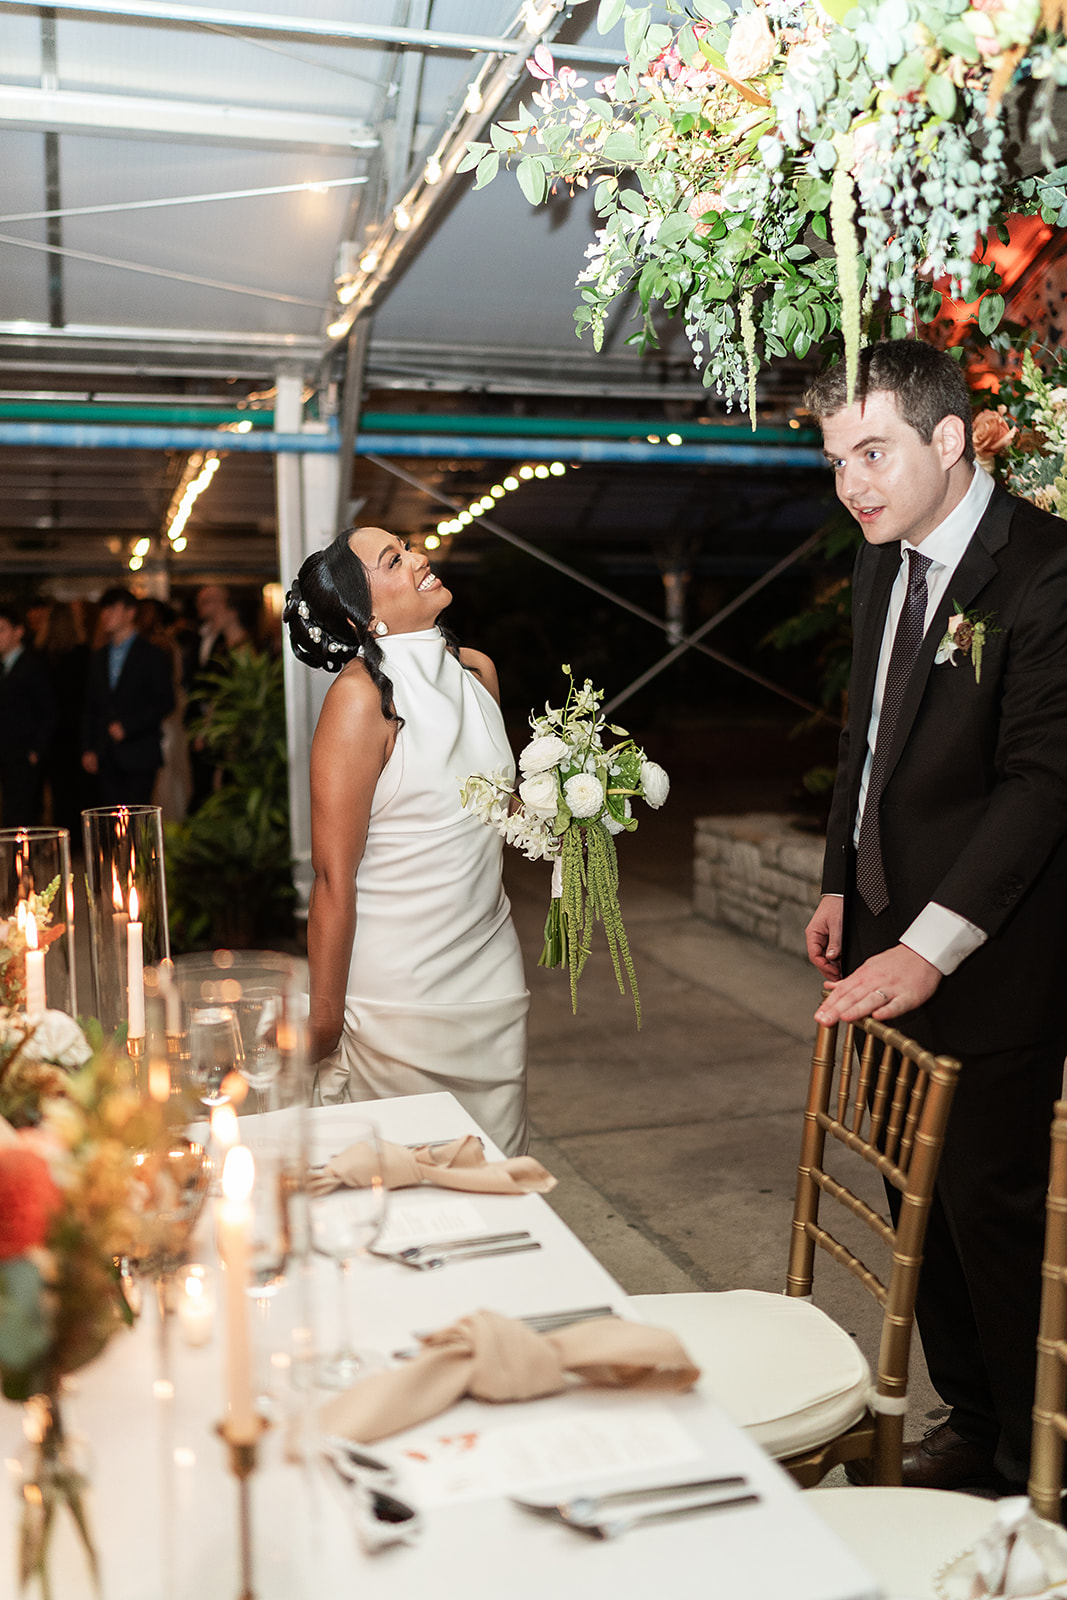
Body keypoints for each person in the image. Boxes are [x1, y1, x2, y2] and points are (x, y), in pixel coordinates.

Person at [803, 339, 1067, 1494]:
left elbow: (1041, 784)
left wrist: (927, 947)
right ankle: (967, 1419)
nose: (850, 484)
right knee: (914, 1197)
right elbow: (864, 736)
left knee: (990, 1213)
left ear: (948, 437)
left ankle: (1030, 1465)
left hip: (988, 952)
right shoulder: (883, 559)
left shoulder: (1042, 570)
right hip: (876, 937)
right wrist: (836, 877)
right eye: (834, 461)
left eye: (871, 453)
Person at [284, 527, 529, 1155]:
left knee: (499, 1173)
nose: (420, 558)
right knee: (410, 1178)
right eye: (394, 560)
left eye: (408, 547)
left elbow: (491, 810)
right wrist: (324, 1021)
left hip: (490, 972)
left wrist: (572, 802)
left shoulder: (478, 671)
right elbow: (333, 877)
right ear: (364, 619)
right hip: (401, 996)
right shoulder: (358, 702)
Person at [82, 587, 175, 806]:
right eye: (104, 610)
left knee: (137, 816)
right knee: (111, 815)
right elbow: (91, 705)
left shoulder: (152, 654)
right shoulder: (99, 656)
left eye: (112, 609)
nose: (106, 615)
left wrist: (129, 726)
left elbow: (165, 701)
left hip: (140, 751)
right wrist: (88, 747)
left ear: (130, 612)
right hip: (106, 752)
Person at [0, 605, 56, 826]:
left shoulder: (33, 666)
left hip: (22, 754)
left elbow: (48, 711)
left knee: (19, 814)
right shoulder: (3, 666)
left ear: (18, 631)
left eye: (1, 630)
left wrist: (35, 751)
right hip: (5, 753)